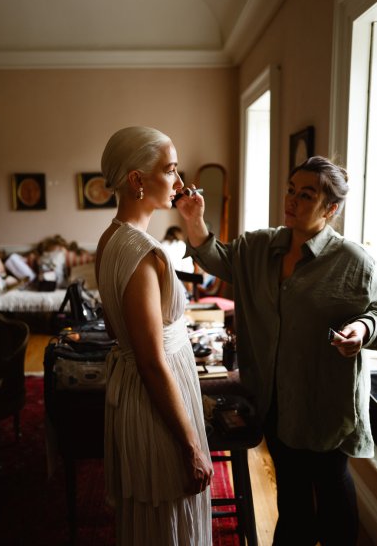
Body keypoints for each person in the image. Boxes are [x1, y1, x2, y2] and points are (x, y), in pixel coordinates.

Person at [177, 155, 377, 546]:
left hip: (326, 402)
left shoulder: (352, 261)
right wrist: (193, 218)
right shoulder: (258, 246)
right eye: (290, 190)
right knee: (294, 499)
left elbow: (376, 312)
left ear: (330, 208)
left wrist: (361, 328)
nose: (292, 200)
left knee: (334, 500)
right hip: (275, 399)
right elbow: (216, 258)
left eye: (306, 195)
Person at [95, 126, 213, 546]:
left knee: (154, 520)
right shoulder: (143, 252)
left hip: (138, 393)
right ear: (137, 180)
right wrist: (191, 447)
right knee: (169, 519)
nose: (180, 183)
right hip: (156, 403)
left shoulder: (109, 239)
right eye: (171, 170)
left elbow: (116, 331)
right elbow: (148, 360)